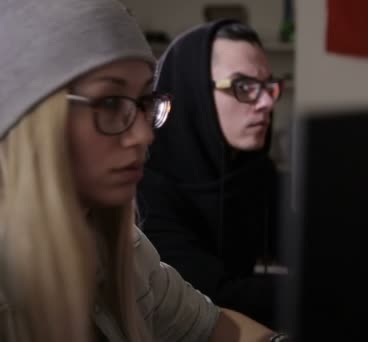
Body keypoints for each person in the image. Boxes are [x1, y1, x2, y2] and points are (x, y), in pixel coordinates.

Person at [0, 1, 284, 341]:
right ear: (30, 117)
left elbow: (210, 326)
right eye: (109, 102)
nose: (145, 134)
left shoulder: (125, 250)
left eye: (146, 101)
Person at [137, 20, 284, 327]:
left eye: (269, 86)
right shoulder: (143, 188)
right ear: (194, 93)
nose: (267, 102)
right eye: (243, 87)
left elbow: (302, 240)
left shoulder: (252, 171)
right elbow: (211, 299)